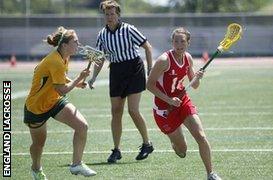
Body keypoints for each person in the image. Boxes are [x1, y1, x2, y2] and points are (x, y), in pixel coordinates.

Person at [146, 27, 222, 180]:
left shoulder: (188, 58)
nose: (179, 44)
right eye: (176, 41)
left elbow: (194, 85)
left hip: (182, 102)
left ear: (188, 43)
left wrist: (197, 77)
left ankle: (210, 174)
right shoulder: (164, 60)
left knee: (201, 136)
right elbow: (149, 85)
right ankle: (175, 141)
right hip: (164, 109)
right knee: (182, 151)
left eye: (182, 41)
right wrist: (169, 100)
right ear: (172, 42)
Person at [24, 26, 96, 180]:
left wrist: (76, 83)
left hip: (54, 101)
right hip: (37, 107)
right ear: (64, 45)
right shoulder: (55, 61)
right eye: (75, 42)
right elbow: (61, 89)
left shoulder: (64, 56)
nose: (79, 44)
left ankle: (76, 164)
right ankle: (36, 168)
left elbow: (61, 77)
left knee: (82, 126)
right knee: (39, 145)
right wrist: (79, 78)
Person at [88, 0, 154, 163]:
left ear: (118, 15)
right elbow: (99, 58)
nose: (109, 17)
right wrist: (93, 77)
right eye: (107, 14)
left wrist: (150, 69)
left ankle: (147, 143)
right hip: (116, 71)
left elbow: (148, 47)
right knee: (116, 111)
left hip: (133, 69)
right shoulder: (102, 35)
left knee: (133, 110)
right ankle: (116, 150)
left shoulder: (129, 29)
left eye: (112, 14)